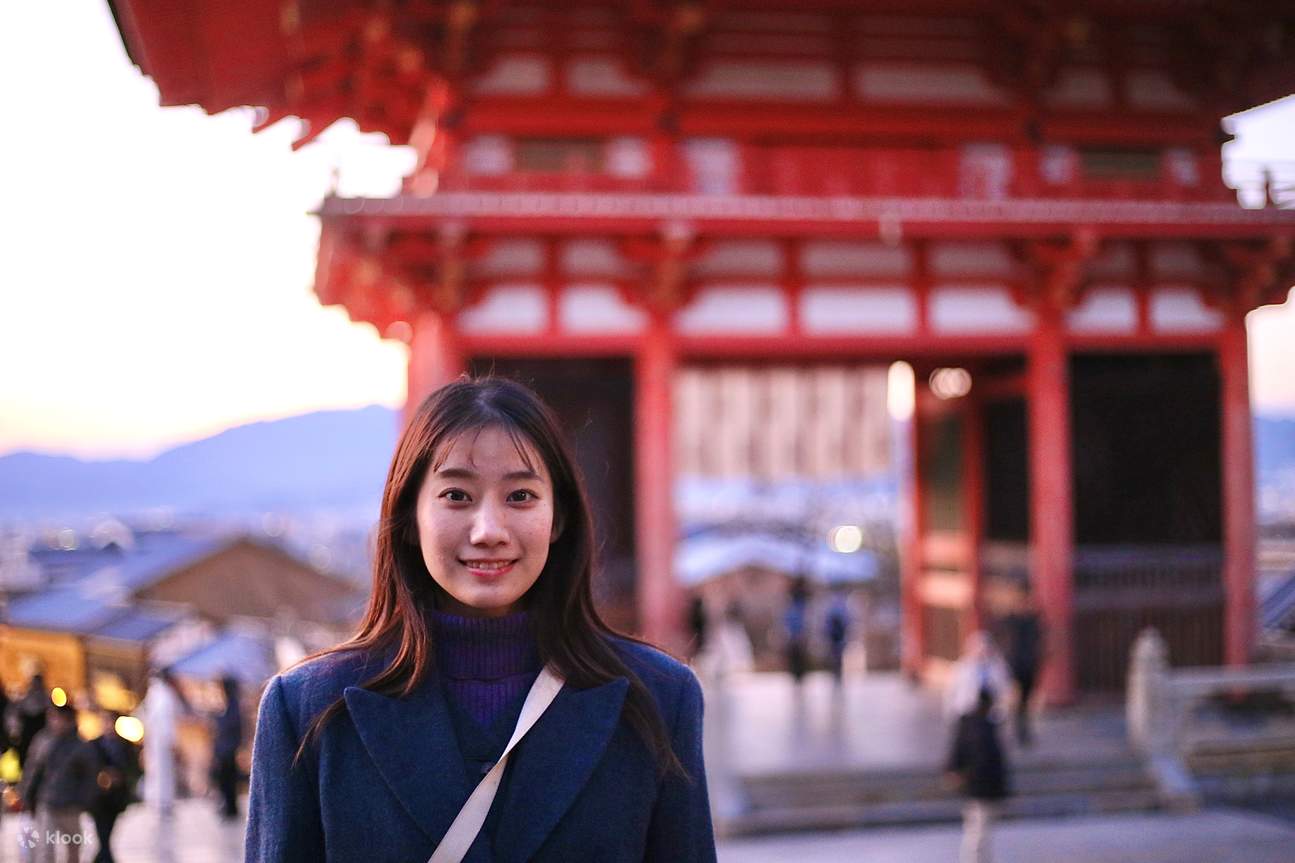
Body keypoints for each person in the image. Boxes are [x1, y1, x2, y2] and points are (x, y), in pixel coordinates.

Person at [245, 378, 715, 862]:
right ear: (409, 516)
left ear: (559, 518)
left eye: (520, 497)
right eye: (456, 496)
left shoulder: (659, 698)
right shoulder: (307, 709)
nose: (489, 531)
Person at [18, 702, 97, 863]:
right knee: (45, 850)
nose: (53, 722)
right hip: (47, 802)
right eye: (51, 718)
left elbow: (90, 777)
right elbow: (33, 770)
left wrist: (83, 800)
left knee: (74, 848)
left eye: (57, 718)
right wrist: (26, 795)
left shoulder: (80, 746)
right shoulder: (43, 741)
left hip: (71, 806)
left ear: (68, 720)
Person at [945, 688, 1011, 863]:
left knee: (980, 832)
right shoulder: (978, 727)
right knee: (978, 833)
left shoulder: (980, 725)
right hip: (978, 787)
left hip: (982, 787)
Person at [88, 710, 141, 863]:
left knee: (108, 832)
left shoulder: (125, 745)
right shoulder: (94, 744)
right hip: (98, 798)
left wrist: (120, 777)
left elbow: (132, 769)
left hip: (116, 798)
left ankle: (103, 858)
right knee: (102, 833)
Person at [1000, 585, 1044, 746]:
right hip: (1015, 665)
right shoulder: (1011, 620)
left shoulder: (1034, 619)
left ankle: (1024, 731)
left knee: (1026, 700)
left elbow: (1040, 641)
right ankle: (1018, 730)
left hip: (1029, 665)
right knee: (1015, 700)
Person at [139, 670, 182, 817]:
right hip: (159, 741)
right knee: (160, 772)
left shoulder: (158, 695)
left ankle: (162, 800)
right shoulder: (161, 695)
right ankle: (161, 800)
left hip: (158, 741)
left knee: (161, 771)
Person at [943, 631, 1013, 722]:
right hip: (966, 712)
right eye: (978, 648)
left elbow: (1005, 690)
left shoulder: (997, 668)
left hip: (989, 714)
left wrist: (1002, 711)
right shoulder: (962, 667)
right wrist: (951, 712)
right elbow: (952, 691)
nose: (981, 652)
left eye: (984, 649)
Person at [210, 676, 243, 820]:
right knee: (226, 780)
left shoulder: (234, 705)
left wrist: (218, 720)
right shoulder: (231, 705)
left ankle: (231, 808)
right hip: (227, 748)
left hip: (228, 749)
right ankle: (229, 807)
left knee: (228, 780)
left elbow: (231, 725)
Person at [824, 591, 851, 684]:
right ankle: (836, 672)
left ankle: (837, 672)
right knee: (836, 655)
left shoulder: (837, 607)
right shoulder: (840, 607)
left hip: (837, 636)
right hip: (835, 636)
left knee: (837, 655)